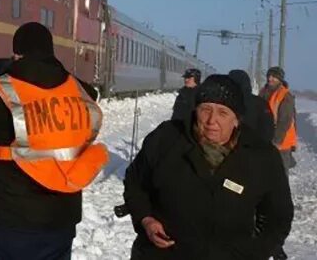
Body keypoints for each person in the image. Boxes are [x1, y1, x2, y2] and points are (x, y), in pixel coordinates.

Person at [0, 22, 106, 260]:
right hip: (61, 221)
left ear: (17, 53)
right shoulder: (80, 91)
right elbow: (36, 92)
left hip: (9, 220)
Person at [123, 74, 293, 259]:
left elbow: (278, 217)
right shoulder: (166, 140)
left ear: (236, 119)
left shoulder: (261, 156)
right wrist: (145, 219)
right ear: (196, 110)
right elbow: (135, 184)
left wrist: (254, 253)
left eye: (223, 113)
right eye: (205, 109)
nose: (212, 121)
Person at [259, 66, 298, 171]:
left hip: (281, 141)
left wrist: (277, 141)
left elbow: (285, 120)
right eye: (269, 76)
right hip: (266, 138)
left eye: (274, 76)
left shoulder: (285, 95)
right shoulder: (263, 92)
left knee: (280, 171)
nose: (270, 79)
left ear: (280, 79)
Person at [227, 69, 275, 143]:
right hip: (254, 148)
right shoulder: (261, 103)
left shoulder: (225, 103)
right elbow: (268, 131)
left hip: (229, 148)